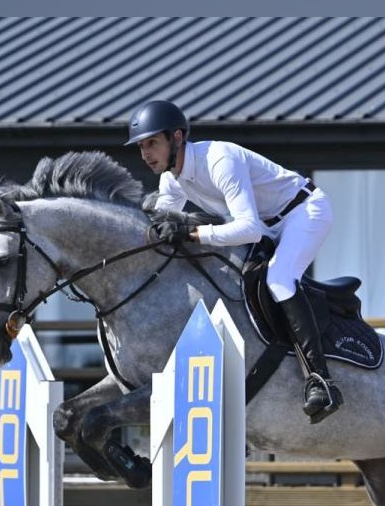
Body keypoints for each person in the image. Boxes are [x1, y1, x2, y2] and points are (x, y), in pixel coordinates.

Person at [125, 99, 342, 423]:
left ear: (178, 137)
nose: (146, 154)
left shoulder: (219, 160)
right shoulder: (171, 180)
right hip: (269, 224)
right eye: (142, 147)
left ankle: (320, 380)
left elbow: (250, 229)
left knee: (278, 279)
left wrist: (194, 233)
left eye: (152, 143)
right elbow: (161, 225)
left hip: (303, 212)